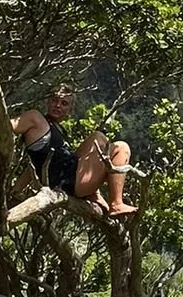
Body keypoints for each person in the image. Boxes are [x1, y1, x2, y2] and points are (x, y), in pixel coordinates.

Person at [11, 84, 136, 217]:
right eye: (54, 100)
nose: (58, 105)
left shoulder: (59, 130)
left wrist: (14, 192)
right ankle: (116, 204)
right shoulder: (35, 119)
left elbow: (33, 167)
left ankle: (95, 195)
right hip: (66, 182)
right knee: (118, 147)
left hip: (70, 177)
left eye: (63, 103)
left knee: (101, 139)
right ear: (47, 101)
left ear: (70, 110)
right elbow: (5, 125)